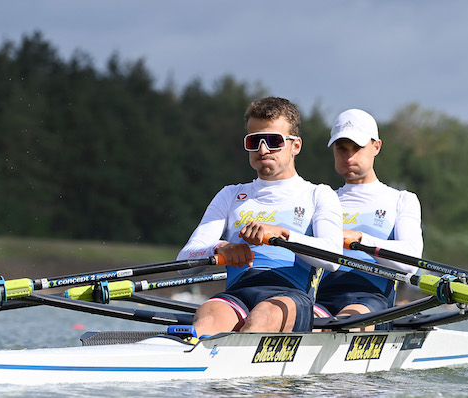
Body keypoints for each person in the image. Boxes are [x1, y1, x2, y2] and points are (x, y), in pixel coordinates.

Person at [177, 96, 343, 337]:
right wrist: (219, 248)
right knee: (207, 318)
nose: (262, 149)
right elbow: (185, 261)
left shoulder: (318, 195)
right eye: (254, 141)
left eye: (274, 141)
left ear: (296, 146)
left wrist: (283, 235)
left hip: (291, 296)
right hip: (237, 296)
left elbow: (334, 258)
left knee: (262, 317)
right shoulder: (230, 195)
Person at [315, 109, 423, 329]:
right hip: (320, 299)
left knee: (341, 325)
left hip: (372, 301)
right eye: (342, 148)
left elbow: (410, 263)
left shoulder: (401, 200)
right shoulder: (321, 199)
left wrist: (360, 239)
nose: (349, 157)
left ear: (376, 146)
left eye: (357, 148)